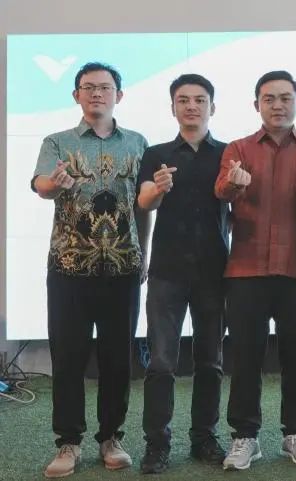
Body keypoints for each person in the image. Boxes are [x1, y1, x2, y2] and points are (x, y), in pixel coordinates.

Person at [33, 62, 149, 478]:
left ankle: (110, 438)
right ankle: (68, 443)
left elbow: (143, 205)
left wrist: (144, 252)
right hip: (69, 268)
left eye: (105, 87)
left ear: (119, 95)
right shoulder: (57, 142)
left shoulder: (138, 143)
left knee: (118, 359)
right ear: (76, 95)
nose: (97, 93)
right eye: (88, 87)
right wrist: (55, 184)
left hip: (123, 268)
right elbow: (41, 185)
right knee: (68, 358)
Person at [214, 70, 296, 471]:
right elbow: (221, 192)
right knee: (246, 358)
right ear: (256, 105)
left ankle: (295, 433)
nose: (277, 105)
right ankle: (245, 437)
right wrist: (235, 184)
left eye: (285, 98)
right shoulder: (238, 149)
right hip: (246, 271)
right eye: (269, 99)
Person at [136, 73, 230, 473]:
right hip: (167, 273)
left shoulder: (228, 154)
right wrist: (158, 188)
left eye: (199, 99)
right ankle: (157, 443)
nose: (192, 106)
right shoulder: (156, 154)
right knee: (161, 362)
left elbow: (238, 206)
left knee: (210, 361)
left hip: (214, 271)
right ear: (173, 107)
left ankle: (204, 438)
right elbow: (144, 202)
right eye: (183, 100)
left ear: (212, 106)